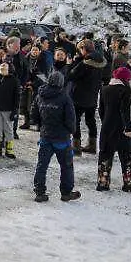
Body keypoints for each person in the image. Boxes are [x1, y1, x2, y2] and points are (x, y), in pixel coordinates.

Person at [33, 70, 79, 202]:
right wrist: (71, 131)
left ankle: (39, 192)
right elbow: (71, 119)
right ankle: (66, 192)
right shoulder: (65, 98)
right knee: (66, 166)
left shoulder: (40, 95)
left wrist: (42, 127)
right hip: (61, 139)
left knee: (42, 165)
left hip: (45, 136)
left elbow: (34, 115)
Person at [97, 66, 131, 192]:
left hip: (108, 127)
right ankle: (129, 183)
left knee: (105, 154)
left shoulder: (104, 90)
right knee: (126, 156)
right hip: (121, 128)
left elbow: (101, 110)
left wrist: (105, 122)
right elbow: (125, 112)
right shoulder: (125, 91)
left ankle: (103, 183)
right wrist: (129, 128)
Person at [68, 39, 107, 155]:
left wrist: (73, 63)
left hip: (79, 96)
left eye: (80, 49)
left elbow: (71, 75)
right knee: (91, 120)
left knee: (76, 120)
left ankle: (76, 147)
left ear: (84, 49)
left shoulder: (85, 63)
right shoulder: (101, 60)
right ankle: (92, 145)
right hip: (93, 95)